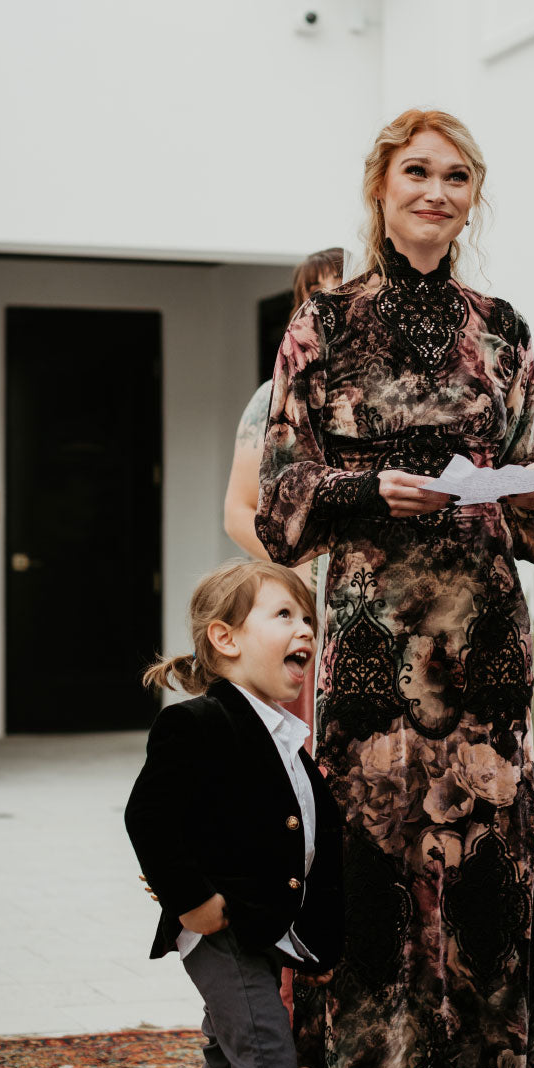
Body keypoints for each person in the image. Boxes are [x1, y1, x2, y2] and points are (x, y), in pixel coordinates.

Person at [256, 109, 534, 1068]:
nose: (437, 190)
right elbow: (281, 501)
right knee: (370, 892)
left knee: (484, 896)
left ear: (474, 197)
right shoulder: (321, 325)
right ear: (381, 187)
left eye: (457, 175)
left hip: (483, 650)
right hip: (375, 652)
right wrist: (371, 488)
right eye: (416, 171)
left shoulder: (502, 326)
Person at [124, 559, 344, 1068]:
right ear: (226, 639)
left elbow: (307, 842)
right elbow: (149, 817)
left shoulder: (287, 740)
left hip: (262, 927)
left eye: (308, 618)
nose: (305, 627)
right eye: (283, 615)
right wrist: (192, 899)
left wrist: (318, 944)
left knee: (227, 1053)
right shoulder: (197, 724)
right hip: (221, 930)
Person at [224, 247, 344, 732]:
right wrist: (305, 580)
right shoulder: (275, 396)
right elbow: (237, 511)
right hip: (313, 607)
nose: (332, 300)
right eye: (316, 293)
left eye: (344, 283)